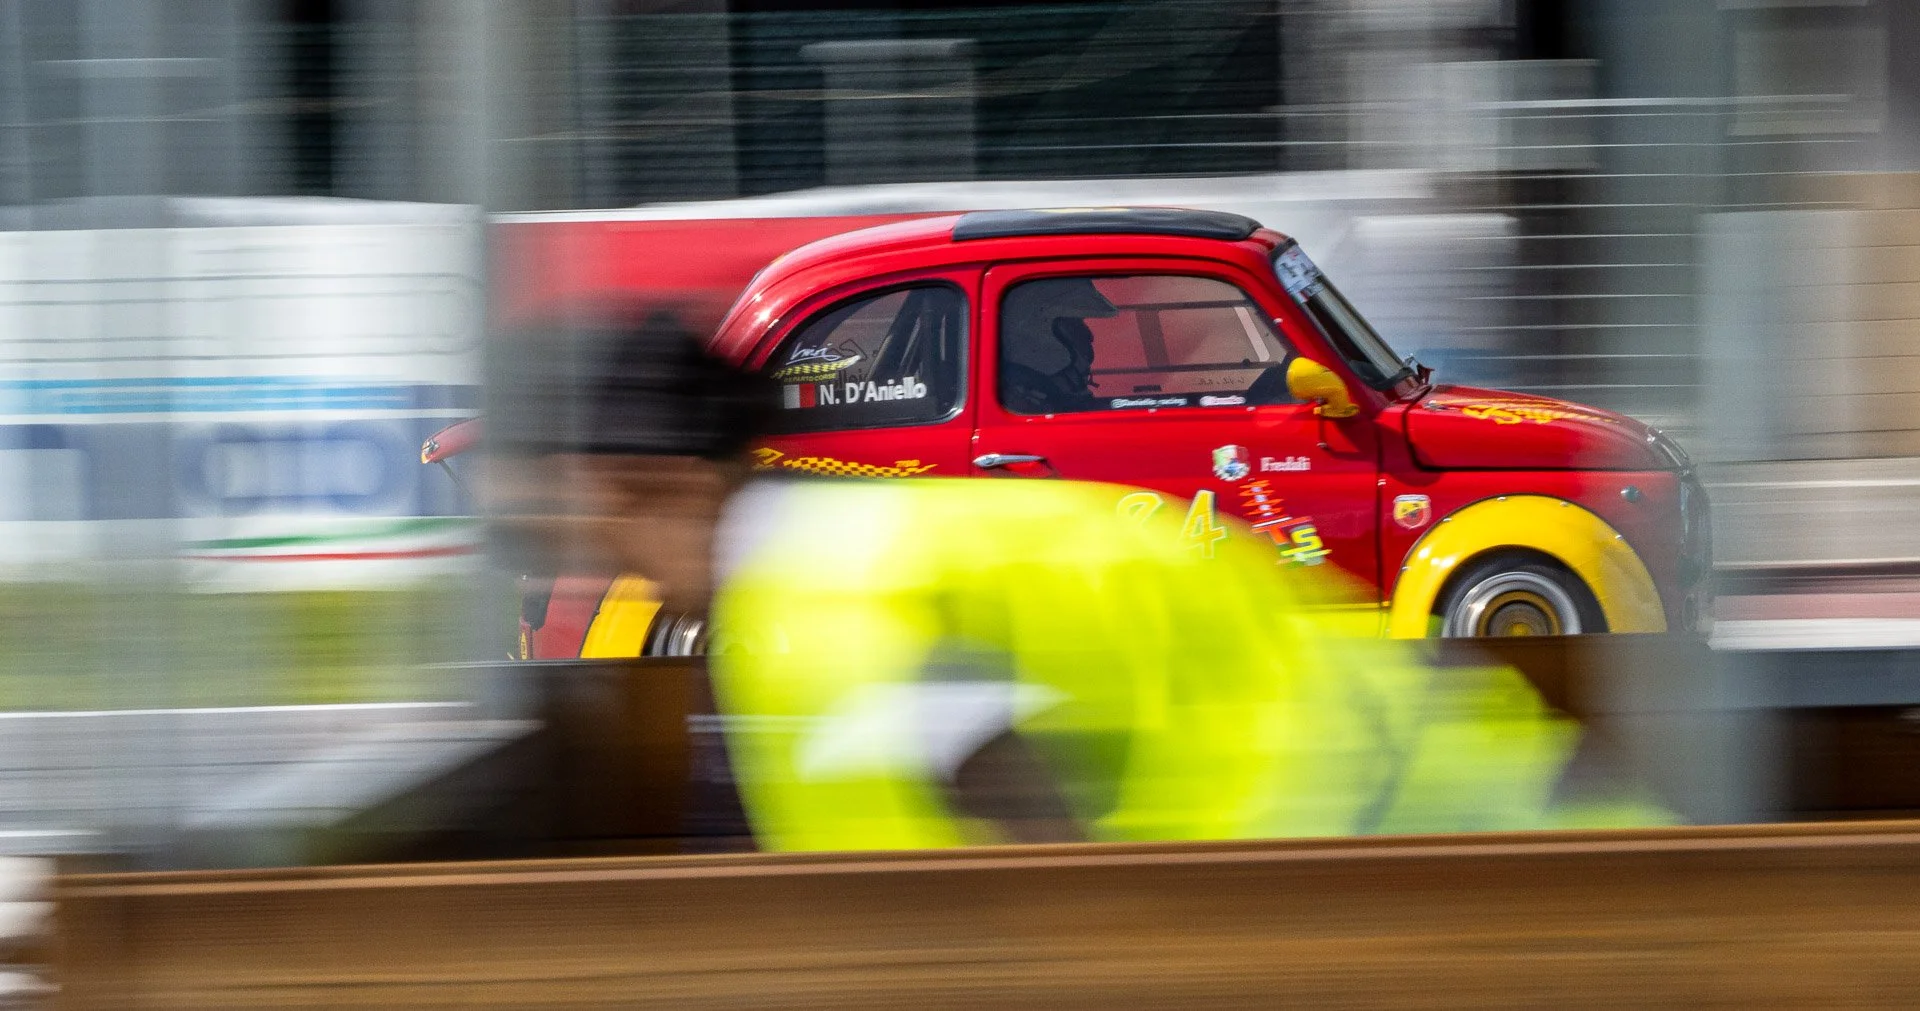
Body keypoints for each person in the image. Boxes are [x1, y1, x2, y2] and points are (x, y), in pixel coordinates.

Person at [490, 311, 1667, 852]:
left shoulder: (826, 604)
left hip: (1422, 878)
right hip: (1492, 831)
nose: (587, 570)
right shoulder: (855, 550)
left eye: (575, 529)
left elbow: (1028, 859)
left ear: (650, 483)